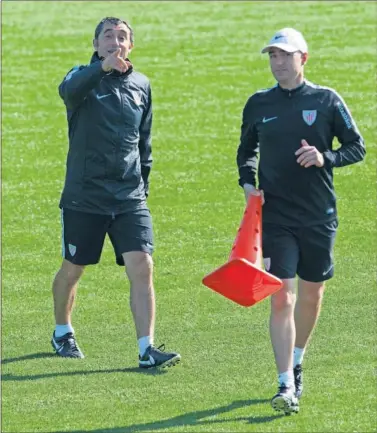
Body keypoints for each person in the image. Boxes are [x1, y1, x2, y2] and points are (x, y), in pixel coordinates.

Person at [237, 28, 365, 414]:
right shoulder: (258, 103)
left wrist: (325, 157)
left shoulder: (326, 100)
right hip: (276, 218)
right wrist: (247, 182)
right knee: (283, 298)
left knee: (312, 296)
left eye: (284, 56)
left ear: (303, 59)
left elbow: (357, 147)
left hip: (319, 217)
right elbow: (246, 151)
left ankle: (296, 358)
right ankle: (284, 384)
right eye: (272, 56)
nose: (277, 63)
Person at [51, 17, 181, 369]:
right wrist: (102, 69)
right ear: (96, 45)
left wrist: (144, 187)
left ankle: (146, 349)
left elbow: (144, 142)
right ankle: (62, 331)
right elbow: (68, 92)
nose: (115, 41)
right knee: (73, 269)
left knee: (143, 266)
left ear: (131, 46)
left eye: (122, 37)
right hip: (85, 196)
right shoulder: (80, 77)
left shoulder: (141, 84)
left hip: (129, 197)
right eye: (107, 36)